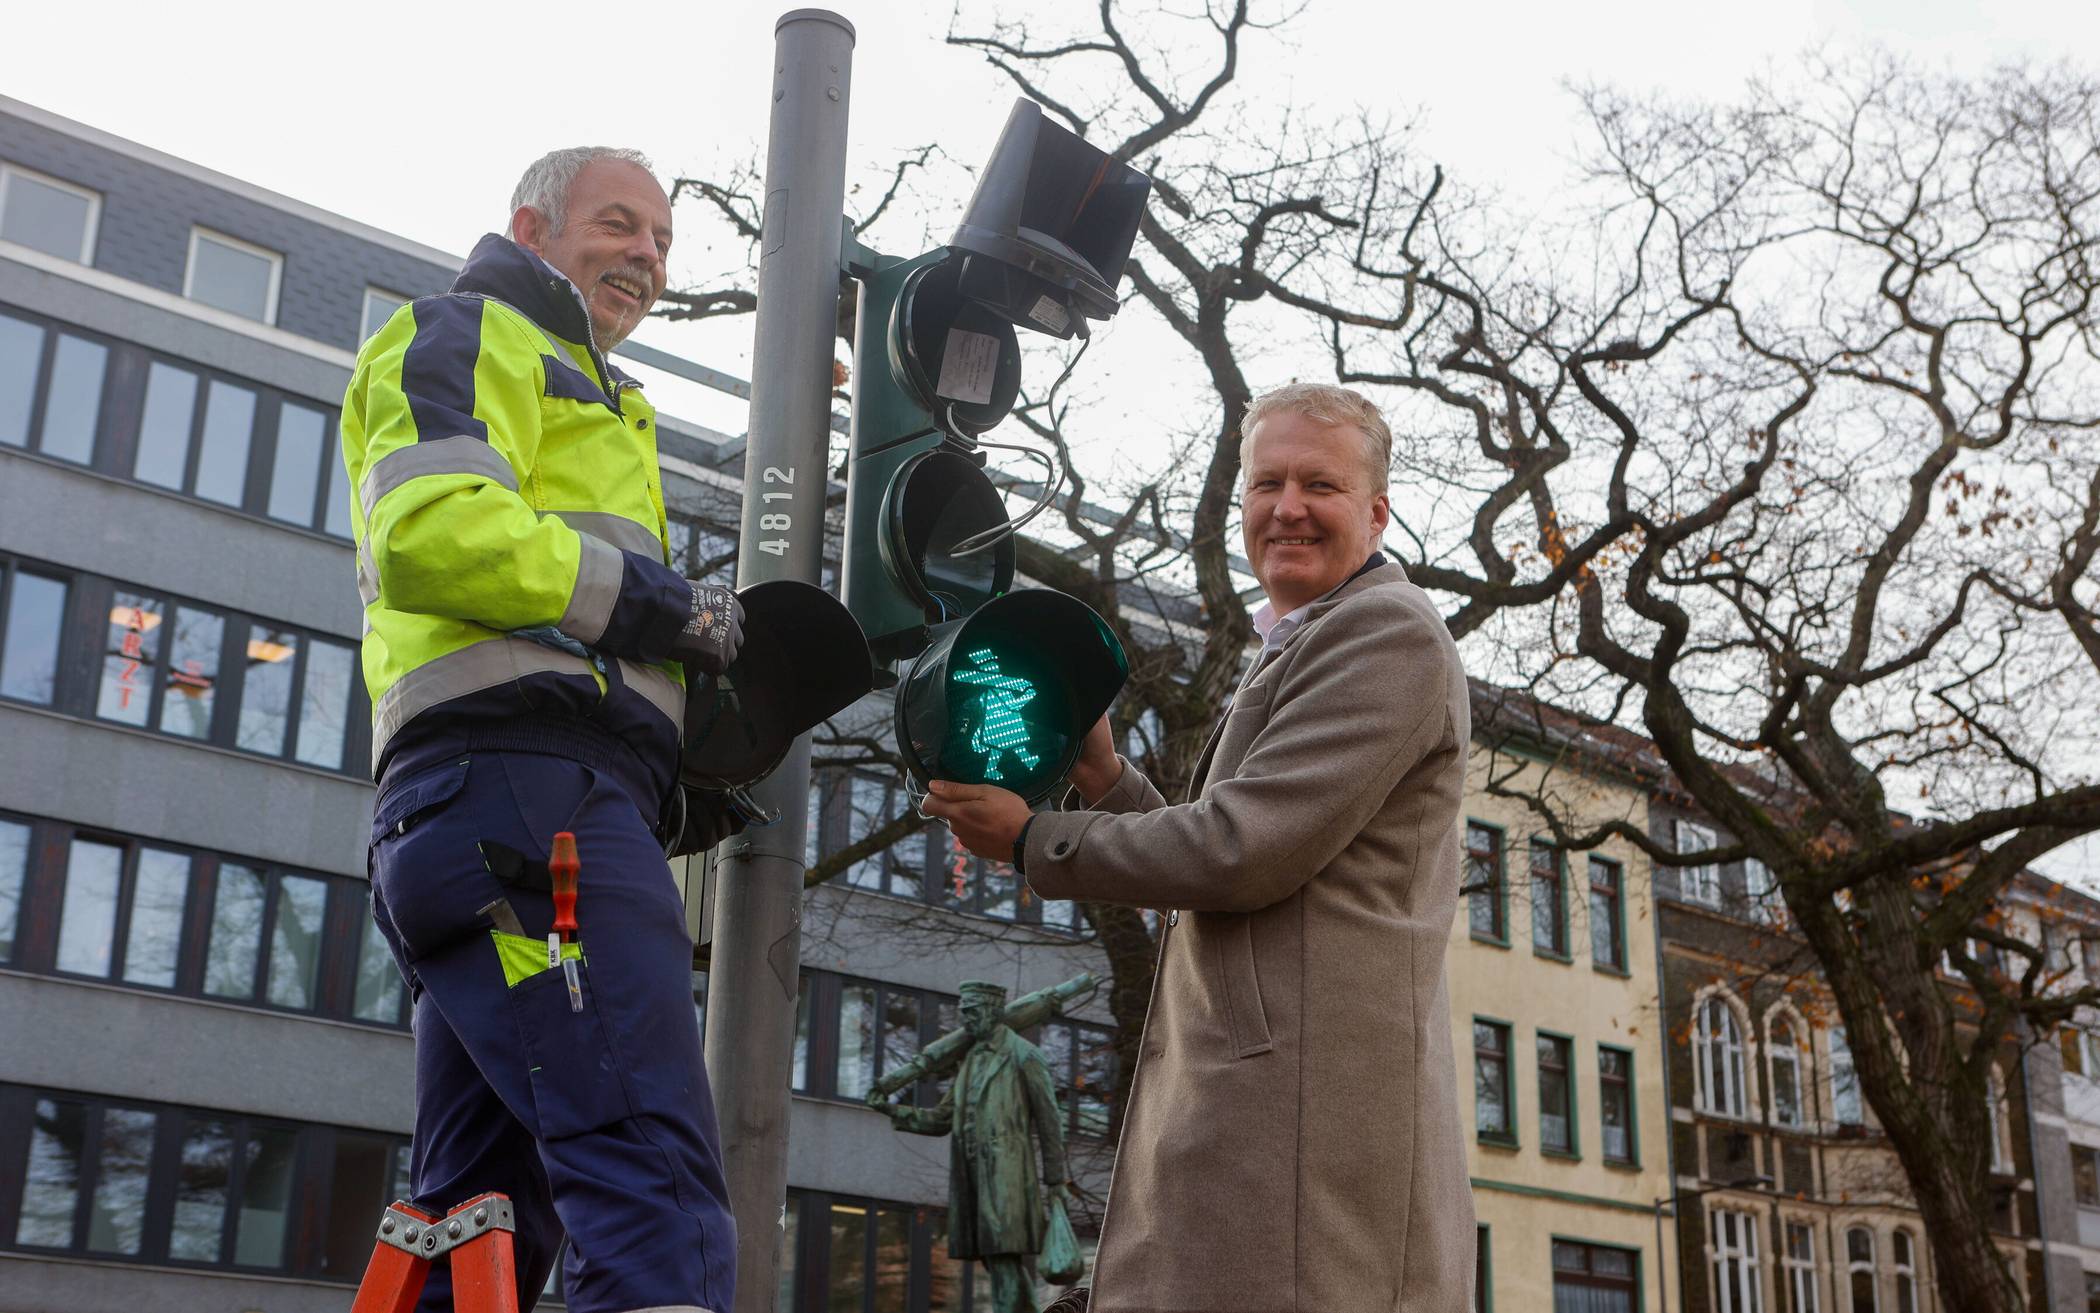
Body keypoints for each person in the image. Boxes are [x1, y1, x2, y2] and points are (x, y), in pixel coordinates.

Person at [924, 383, 1475, 1311]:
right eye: (1267, 484)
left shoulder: (1386, 632)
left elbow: (1239, 851)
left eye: (1319, 486)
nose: (1287, 508)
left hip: (1299, 1139)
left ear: (1377, 514)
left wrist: (1033, 840)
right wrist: (1106, 781)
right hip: (1271, 1124)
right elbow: (1244, 855)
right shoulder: (1305, 639)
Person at [343, 147, 745, 1313]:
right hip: (533, 808)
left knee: (475, 1219)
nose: (647, 257)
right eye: (619, 226)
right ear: (531, 225)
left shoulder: (600, 394)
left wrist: (672, 748)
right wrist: (676, 610)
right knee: (650, 1176)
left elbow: (566, 622)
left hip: (495, 817)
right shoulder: (468, 331)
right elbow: (430, 529)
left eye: (663, 242)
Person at [878, 981, 1072, 1313]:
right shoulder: (970, 1061)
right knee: (997, 1262)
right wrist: (893, 1110)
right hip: (973, 1179)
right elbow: (943, 1118)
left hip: (1008, 1178)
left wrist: (1055, 1182)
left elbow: (1050, 1123)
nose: (966, 1021)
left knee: (1004, 1260)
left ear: (994, 1012)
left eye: (972, 1012)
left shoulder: (1025, 1056)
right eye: (963, 1013)